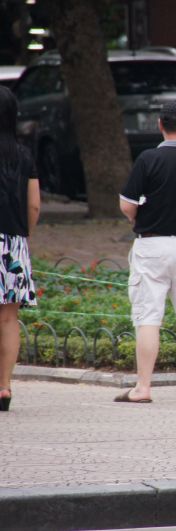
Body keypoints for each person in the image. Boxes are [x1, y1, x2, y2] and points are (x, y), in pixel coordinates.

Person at [116, 100, 176, 403]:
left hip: (151, 245)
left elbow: (126, 205)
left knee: (148, 317)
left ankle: (143, 387)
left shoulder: (148, 159)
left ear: (160, 125)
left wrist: (140, 216)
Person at [0, 86, 40, 412]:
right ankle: (4, 387)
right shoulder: (23, 155)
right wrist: (25, 236)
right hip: (14, 244)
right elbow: (35, 205)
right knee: (9, 319)